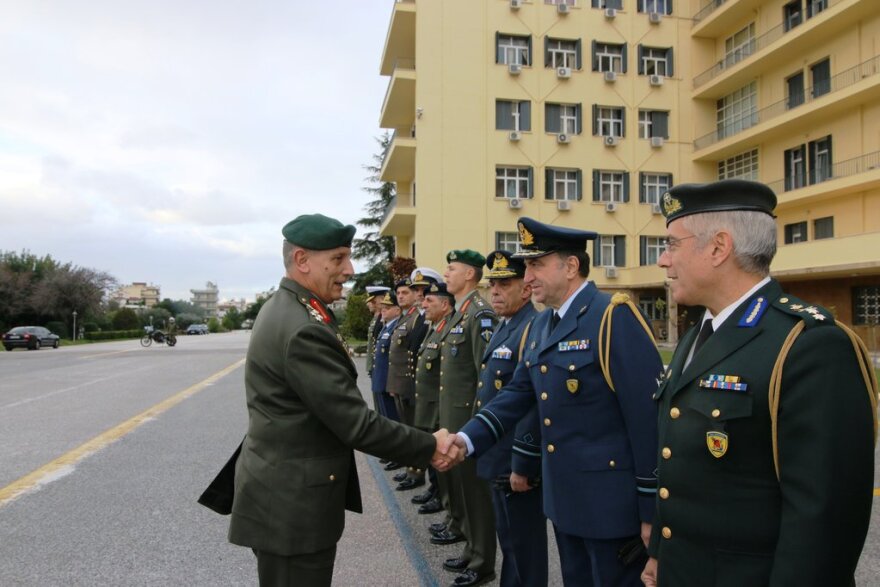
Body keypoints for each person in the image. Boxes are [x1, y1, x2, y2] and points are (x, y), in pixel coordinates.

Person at [198, 213, 460, 587]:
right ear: (302, 260)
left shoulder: (289, 309)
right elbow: (355, 423)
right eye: (338, 259)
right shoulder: (303, 326)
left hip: (283, 498)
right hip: (293, 511)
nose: (350, 269)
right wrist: (429, 446)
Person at [640, 180, 878, 587]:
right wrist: (663, 554)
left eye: (672, 245)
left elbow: (823, 522)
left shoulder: (810, 345)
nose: (663, 260)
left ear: (718, 247)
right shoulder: (702, 333)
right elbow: (679, 462)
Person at [440, 217, 662, 587]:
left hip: (612, 508)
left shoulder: (613, 317)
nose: (527, 277)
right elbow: (515, 395)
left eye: (536, 264)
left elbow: (647, 422)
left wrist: (651, 511)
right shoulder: (545, 326)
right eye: (527, 266)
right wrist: (465, 440)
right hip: (565, 502)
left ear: (571, 266)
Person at [477, 250, 547, 587]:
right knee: (510, 540)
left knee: (524, 545)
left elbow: (531, 400)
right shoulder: (508, 327)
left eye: (505, 283)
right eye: (493, 284)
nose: (495, 291)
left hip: (513, 460)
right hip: (498, 455)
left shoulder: (531, 328)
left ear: (525, 288)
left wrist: (523, 463)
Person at [438, 249, 499, 587]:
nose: (446, 273)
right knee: (463, 493)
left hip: (469, 427)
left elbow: (484, 376)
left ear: (470, 276)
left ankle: (482, 562)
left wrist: (476, 430)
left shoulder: (479, 315)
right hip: (454, 424)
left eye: (452, 268)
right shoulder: (459, 314)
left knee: (476, 497)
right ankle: (471, 549)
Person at [387, 276, 430, 485]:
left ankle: (417, 471)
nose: (401, 296)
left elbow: (412, 353)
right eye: (399, 293)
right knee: (407, 427)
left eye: (406, 292)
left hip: (410, 382)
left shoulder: (415, 317)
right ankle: (411, 467)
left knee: (414, 428)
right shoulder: (407, 317)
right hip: (401, 382)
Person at [372, 291, 402, 425]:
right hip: (380, 382)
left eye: (388, 308)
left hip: (387, 384)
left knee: (392, 420)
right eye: (383, 307)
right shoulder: (386, 328)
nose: (383, 310)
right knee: (384, 419)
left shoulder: (396, 328)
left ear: (397, 310)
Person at [364, 285, 389, 378]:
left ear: (382, 299)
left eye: (373, 301)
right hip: (374, 364)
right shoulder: (377, 318)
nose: (369, 304)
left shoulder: (386, 319)